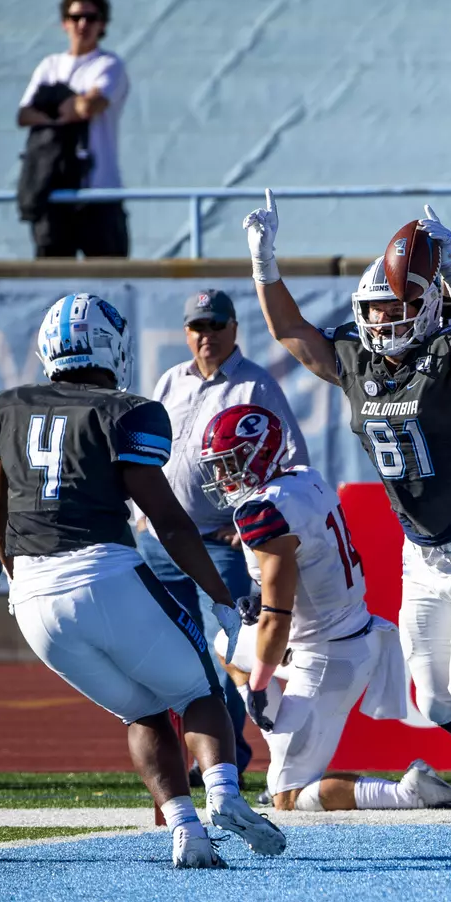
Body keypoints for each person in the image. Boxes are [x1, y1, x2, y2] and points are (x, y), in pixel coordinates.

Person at [242, 190, 451, 825]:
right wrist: (264, 260)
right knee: (439, 702)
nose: (384, 321)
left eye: (395, 308)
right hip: (420, 553)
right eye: (375, 310)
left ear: (424, 307)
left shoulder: (445, 356)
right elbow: (290, 331)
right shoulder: (356, 362)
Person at [0, 293, 284, 867]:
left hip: (32, 599)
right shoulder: (127, 411)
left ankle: (185, 832)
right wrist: (220, 597)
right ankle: (222, 795)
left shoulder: (10, 406)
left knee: (141, 711)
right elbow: (169, 520)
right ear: (110, 346)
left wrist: (14, 578)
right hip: (102, 574)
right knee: (199, 690)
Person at [198, 402, 451, 814]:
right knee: (228, 640)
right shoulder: (304, 479)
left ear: (261, 455)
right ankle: (283, 733)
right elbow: (311, 566)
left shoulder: (263, 512)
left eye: (231, 462)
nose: (222, 475)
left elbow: (277, 620)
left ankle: (410, 791)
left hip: (330, 656)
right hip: (341, 632)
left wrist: (257, 689)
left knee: (288, 799)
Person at [139, 288, 307, 775]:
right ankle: (189, 754)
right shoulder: (171, 380)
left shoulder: (255, 386)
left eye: (215, 325)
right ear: (186, 332)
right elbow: (143, 454)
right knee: (173, 653)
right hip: (162, 541)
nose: (206, 335)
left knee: (228, 655)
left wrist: (253, 522)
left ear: (235, 329)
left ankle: (225, 755)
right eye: (198, 326)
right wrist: (140, 513)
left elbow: (290, 460)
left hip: (219, 542)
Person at [16, 0, 129, 258]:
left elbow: (88, 107)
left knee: (108, 286)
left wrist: (54, 103)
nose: (82, 24)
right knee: (54, 289)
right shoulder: (49, 65)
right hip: (53, 192)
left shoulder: (108, 64)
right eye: (75, 17)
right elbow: (24, 114)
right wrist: (71, 102)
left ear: (103, 24)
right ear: (64, 23)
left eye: (91, 18)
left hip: (99, 192)